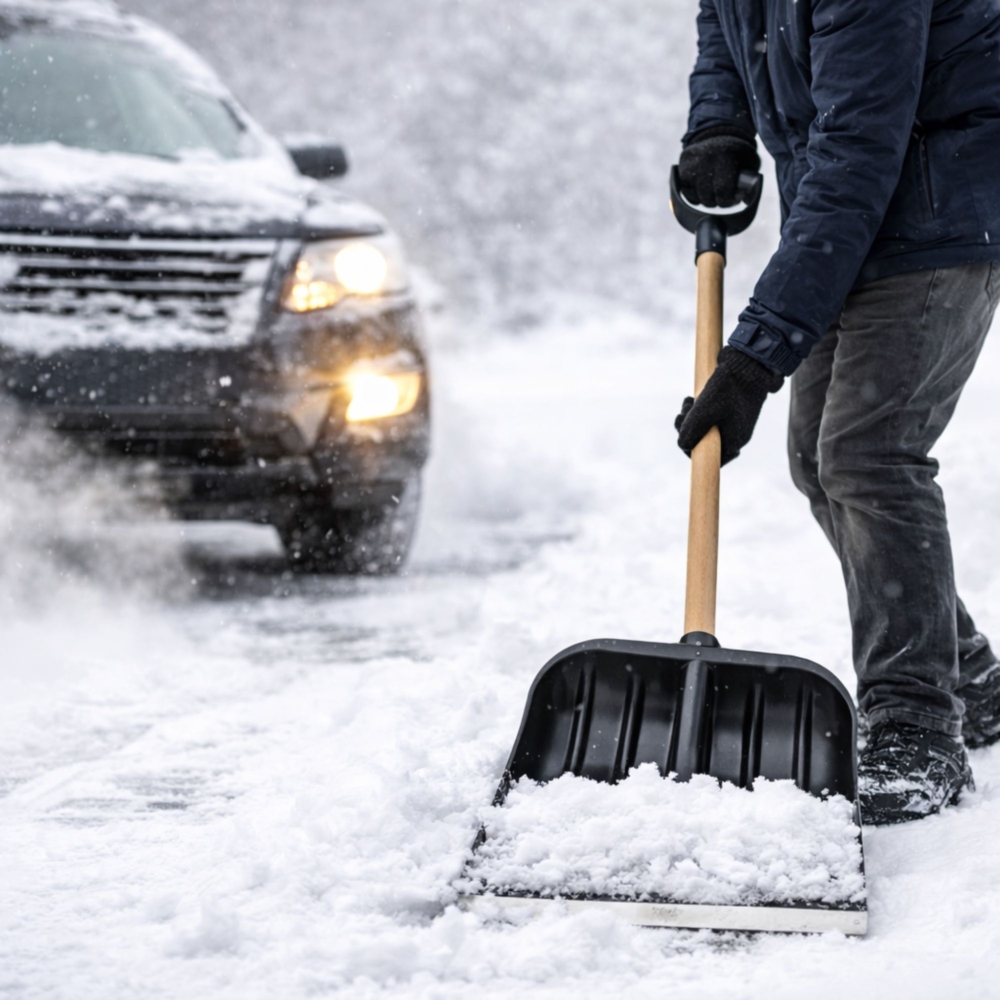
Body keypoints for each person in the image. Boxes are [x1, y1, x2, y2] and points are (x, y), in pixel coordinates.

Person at [674, 0, 1000, 825]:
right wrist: (717, 129)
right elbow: (725, 22)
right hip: (847, 209)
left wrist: (753, 359)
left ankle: (917, 723)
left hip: (940, 207)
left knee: (868, 452)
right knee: (818, 460)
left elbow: (860, 149)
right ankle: (968, 676)